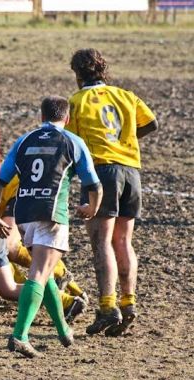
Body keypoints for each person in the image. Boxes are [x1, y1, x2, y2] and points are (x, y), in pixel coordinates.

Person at [0, 96, 102, 358]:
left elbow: (0, 180)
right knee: (39, 273)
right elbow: (93, 183)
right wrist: (92, 208)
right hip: (51, 213)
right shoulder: (73, 141)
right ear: (67, 119)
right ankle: (20, 335)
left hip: (24, 213)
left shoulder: (24, 140)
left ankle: (62, 329)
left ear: (41, 117)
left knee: (46, 273)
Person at [66, 49, 159, 337]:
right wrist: (125, 142)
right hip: (131, 171)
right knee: (123, 240)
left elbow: (72, 143)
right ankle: (128, 302)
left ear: (78, 74)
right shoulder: (126, 95)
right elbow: (151, 123)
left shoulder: (77, 101)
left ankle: (107, 307)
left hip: (102, 171)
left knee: (101, 241)